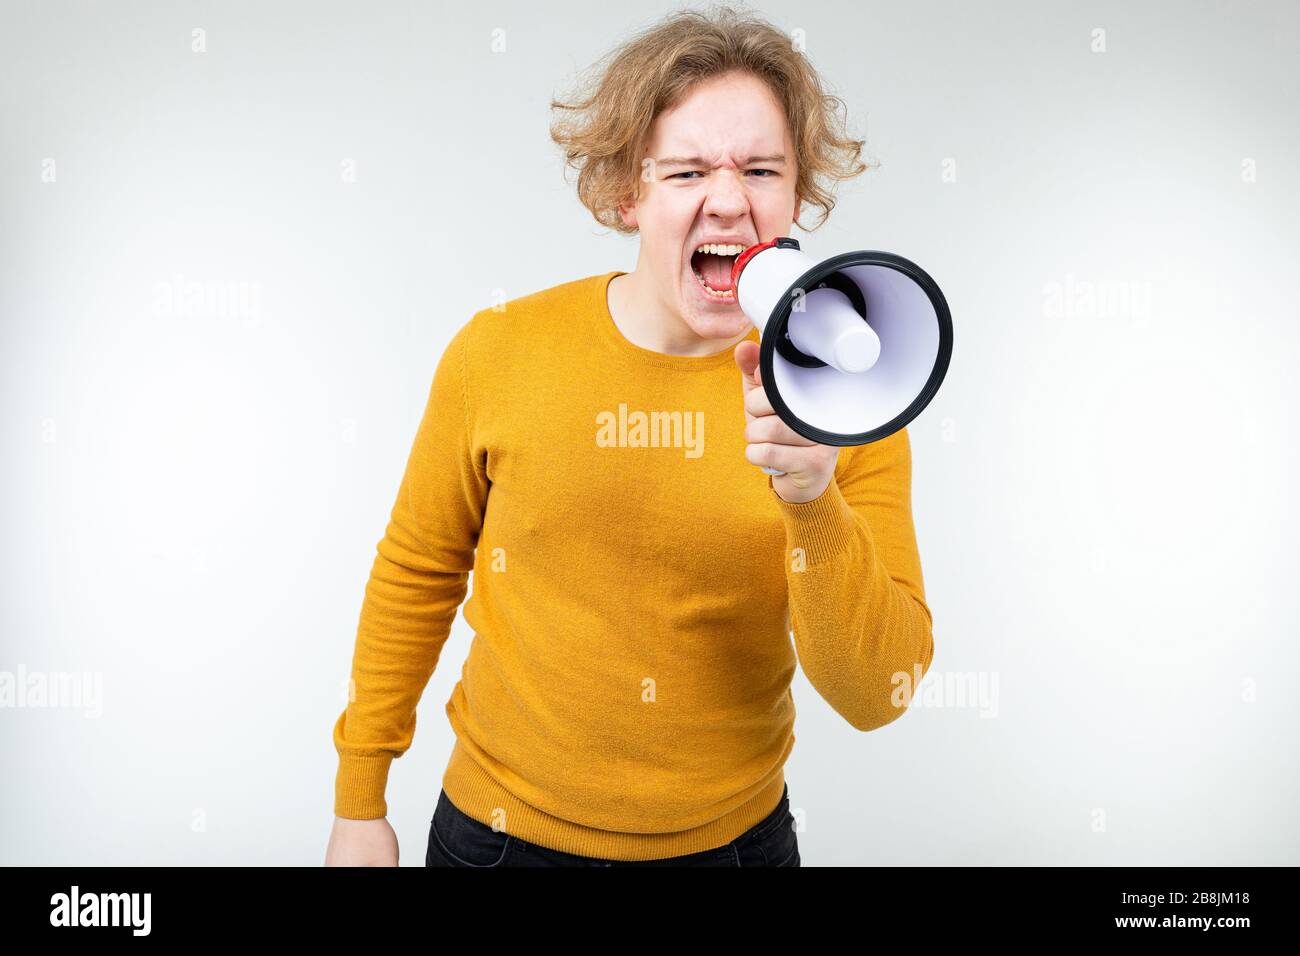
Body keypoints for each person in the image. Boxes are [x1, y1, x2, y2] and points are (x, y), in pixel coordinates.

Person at [324, 5, 934, 867]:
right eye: (686, 172)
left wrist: (813, 501)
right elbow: (417, 572)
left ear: (798, 195)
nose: (729, 198)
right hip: (498, 843)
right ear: (628, 192)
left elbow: (879, 692)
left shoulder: (851, 402)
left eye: (762, 168)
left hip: (735, 850)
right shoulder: (498, 351)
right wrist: (360, 799)